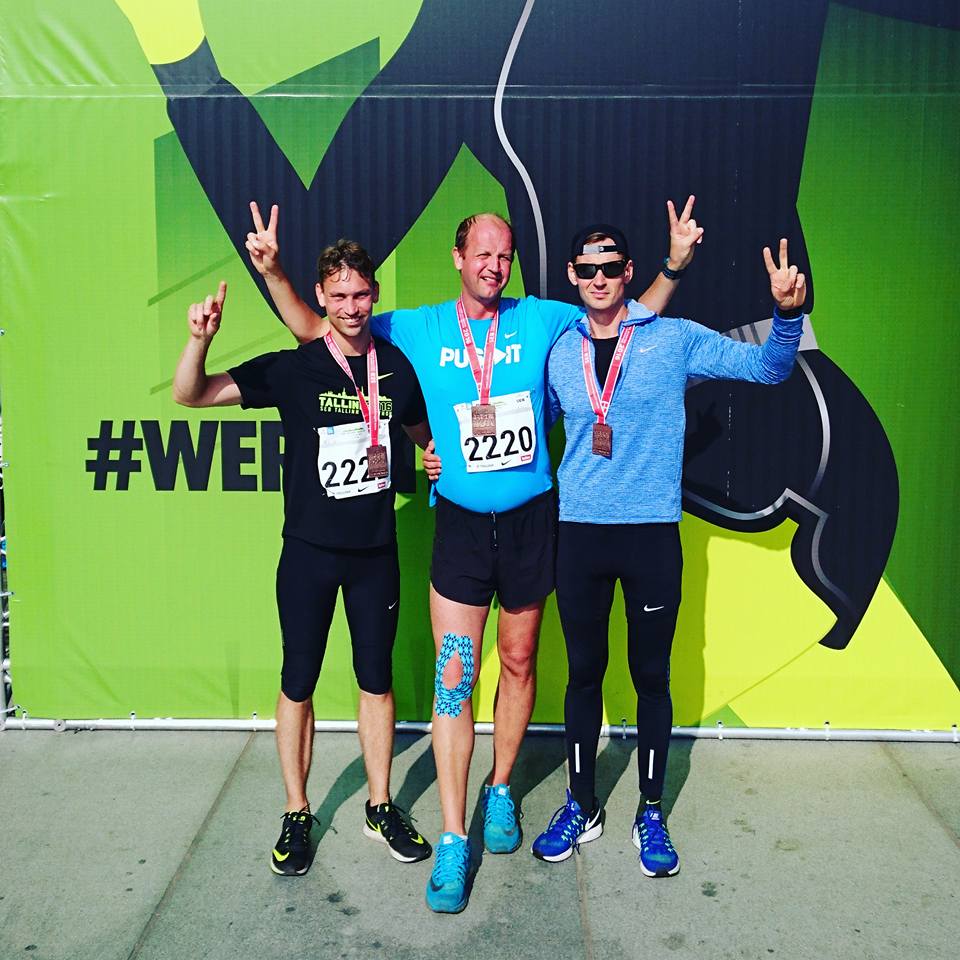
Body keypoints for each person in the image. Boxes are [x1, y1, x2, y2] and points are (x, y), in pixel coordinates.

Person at [244, 200, 703, 912]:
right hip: (460, 527)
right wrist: (274, 272)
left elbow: (624, 313)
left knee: (518, 661)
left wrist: (672, 266)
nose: (494, 266)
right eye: (482, 254)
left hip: (530, 524)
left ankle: (502, 791)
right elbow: (319, 330)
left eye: (504, 255)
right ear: (458, 259)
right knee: (454, 678)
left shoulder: (543, 317)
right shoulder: (418, 327)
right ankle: (455, 837)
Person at [534, 226, 806, 876]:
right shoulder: (558, 349)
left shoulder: (674, 338)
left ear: (629, 272)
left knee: (651, 678)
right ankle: (580, 805)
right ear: (572, 276)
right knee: (583, 675)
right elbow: (528, 427)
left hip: (651, 536)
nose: (598, 279)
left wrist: (787, 316)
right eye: (586, 269)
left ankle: (650, 811)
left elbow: (769, 369)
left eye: (610, 268)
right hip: (580, 535)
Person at [172, 241, 438, 877]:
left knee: (376, 680)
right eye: (338, 296)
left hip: (374, 554)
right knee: (298, 680)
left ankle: (380, 805)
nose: (351, 307)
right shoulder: (294, 369)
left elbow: (421, 435)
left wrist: (432, 458)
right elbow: (192, 394)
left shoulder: (396, 368)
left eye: (361, 294)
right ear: (320, 297)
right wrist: (199, 341)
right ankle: (296, 810)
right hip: (309, 556)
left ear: (375, 294)